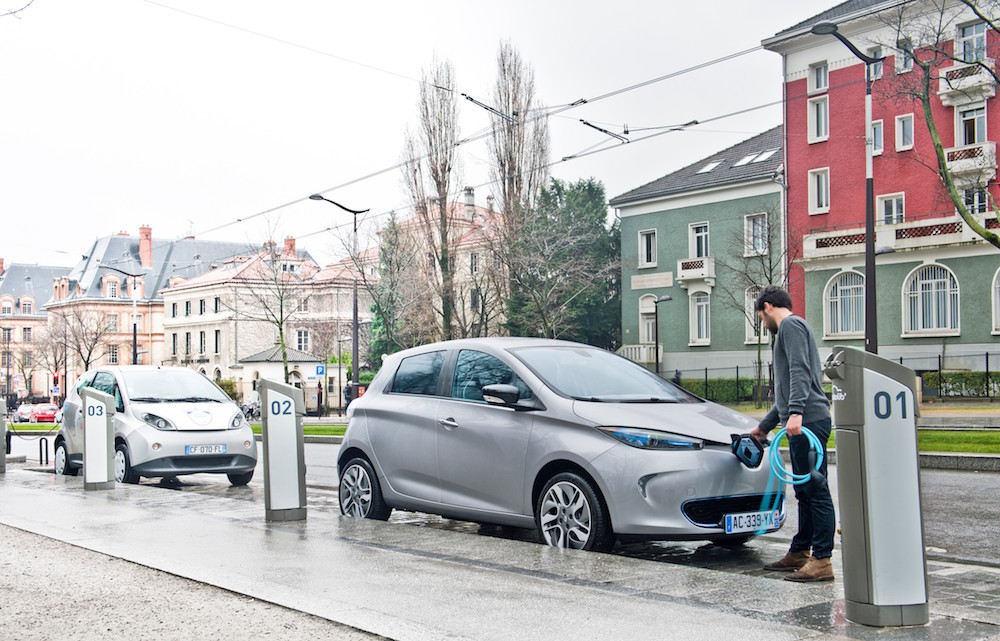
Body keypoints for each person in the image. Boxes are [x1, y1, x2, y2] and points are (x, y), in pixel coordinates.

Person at [750, 285, 835, 583]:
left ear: (768, 307)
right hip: (803, 419)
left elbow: (799, 370)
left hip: (808, 420)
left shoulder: (790, 326)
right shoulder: (789, 329)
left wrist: (797, 412)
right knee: (805, 491)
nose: (763, 323)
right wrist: (763, 427)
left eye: (761, 316)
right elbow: (783, 397)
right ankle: (800, 552)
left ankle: (822, 560)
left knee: (816, 489)